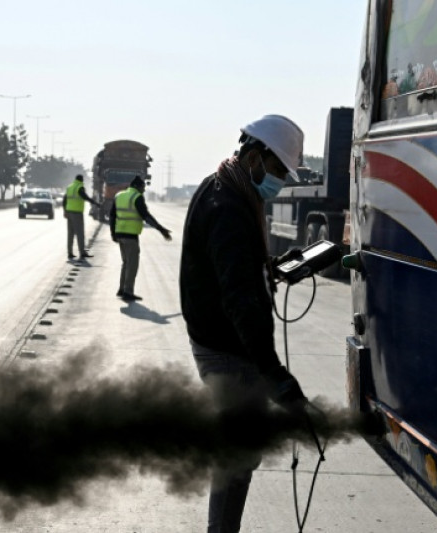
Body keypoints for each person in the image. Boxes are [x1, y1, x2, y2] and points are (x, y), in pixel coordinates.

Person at [179, 115, 308, 532]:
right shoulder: (229, 208)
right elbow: (238, 298)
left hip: (220, 340)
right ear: (254, 157)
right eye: (277, 171)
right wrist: (274, 373)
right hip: (227, 348)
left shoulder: (223, 186)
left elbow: (232, 268)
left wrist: (272, 267)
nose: (280, 182)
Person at [109, 175, 171, 301]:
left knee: (126, 263)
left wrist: (113, 233)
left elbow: (112, 216)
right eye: (143, 187)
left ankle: (122, 289)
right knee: (132, 264)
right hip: (130, 235)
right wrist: (161, 229)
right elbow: (146, 216)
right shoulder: (136, 197)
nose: (144, 190)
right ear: (137, 186)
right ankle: (128, 292)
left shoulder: (119, 195)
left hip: (120, 233)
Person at [63, 174, 101, 260]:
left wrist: (64, 211)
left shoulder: (70, 187)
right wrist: (95, 203)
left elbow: (64, 200)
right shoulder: (79, 187)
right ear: (81, 180)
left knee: (70, 233)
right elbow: (85, 197)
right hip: (77, 213)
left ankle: (70, 253)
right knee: (80, 233)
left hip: (69, 213)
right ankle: (82, 252)